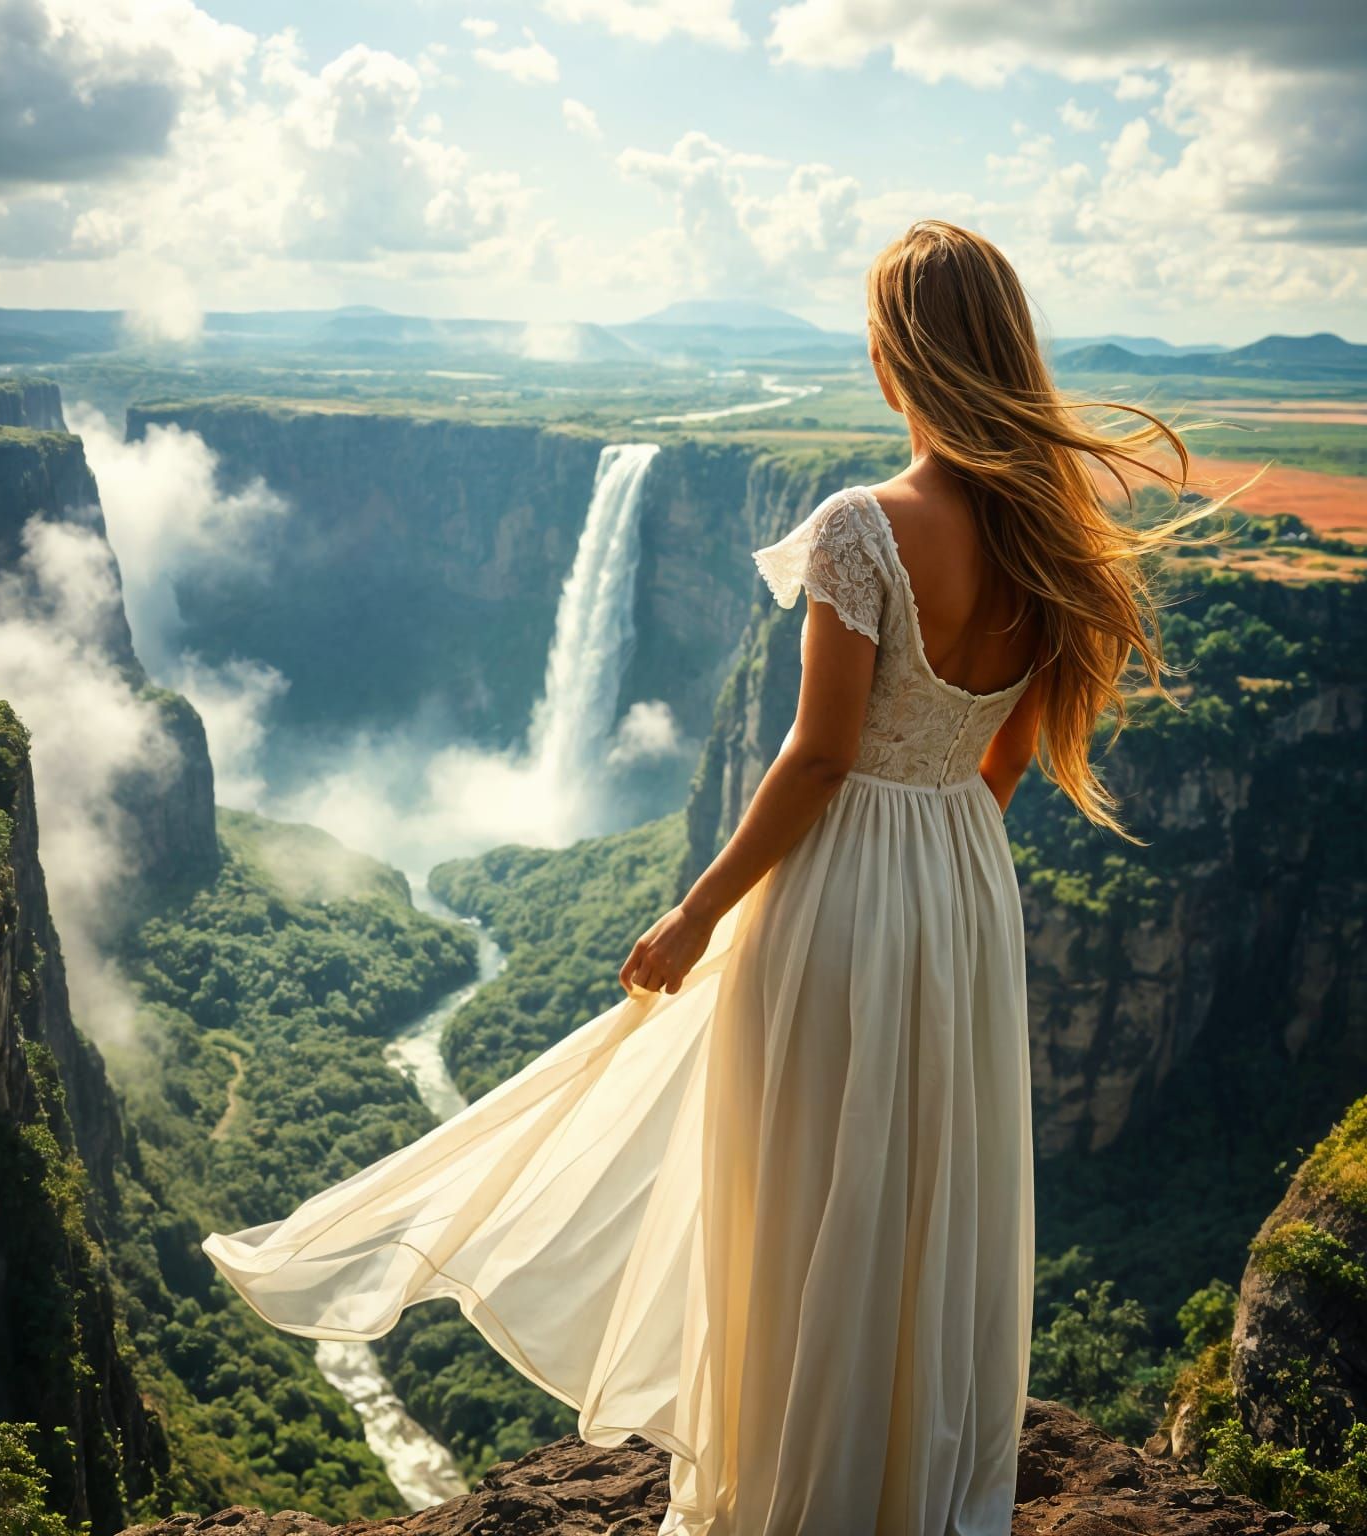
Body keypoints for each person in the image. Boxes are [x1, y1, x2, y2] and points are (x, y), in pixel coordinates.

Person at [204, 220, 1235, 1534]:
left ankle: (797, 1484)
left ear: (891, 359)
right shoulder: (1054, 543)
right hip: (963, 884)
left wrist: (696, 912)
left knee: (800, 1182)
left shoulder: (864, 529)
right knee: (922, 1180)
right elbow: (1005, 759)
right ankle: (903, 1478)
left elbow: (814, 761)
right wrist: (934, 861)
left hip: (845, 883)